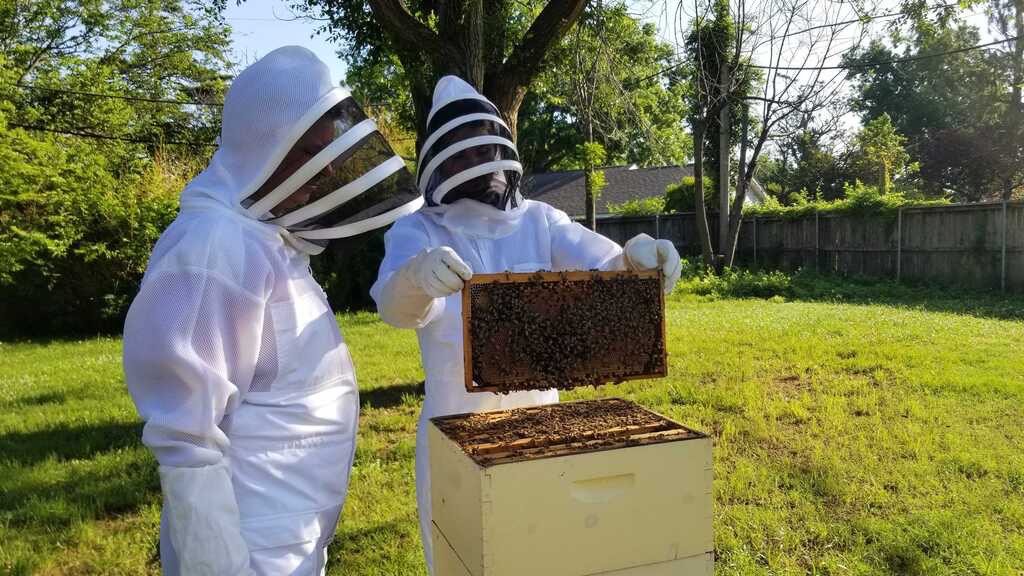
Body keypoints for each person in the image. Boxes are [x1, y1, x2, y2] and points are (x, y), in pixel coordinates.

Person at [122, 45, 423, 575]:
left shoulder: (267, 240)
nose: (317, 174)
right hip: (250, 550)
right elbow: (186, 439)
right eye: (305, 153)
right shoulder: (214, 246)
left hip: (289, 537)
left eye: (324, 155)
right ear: (262, 145)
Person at [370, 75, 683, 573]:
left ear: (501, 148)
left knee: (547, 553)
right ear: (439, 163)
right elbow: (394, 308)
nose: (477, 166)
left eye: (483, 151)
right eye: (463, 155)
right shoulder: (417, 230)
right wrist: (415, 276)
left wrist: (636, 262)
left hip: (541, 422)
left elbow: (603, 269)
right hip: (455, 423)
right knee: (466, 559)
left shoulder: (542, 220)